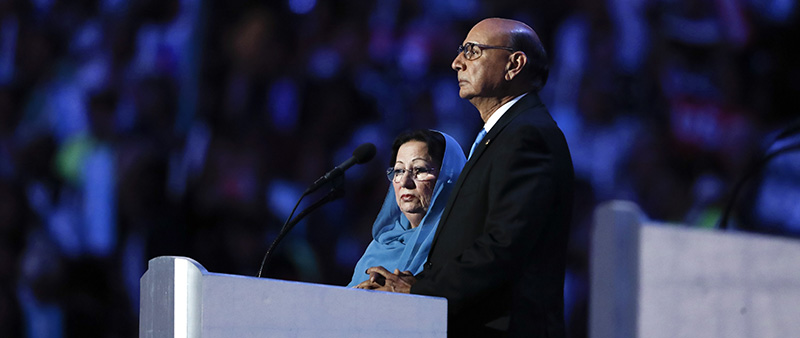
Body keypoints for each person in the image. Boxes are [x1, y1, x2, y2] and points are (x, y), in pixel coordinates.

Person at [356, 18, 575, 337]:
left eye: (472, 51)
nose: (456, 62)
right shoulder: (504, 134)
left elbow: (503, 245)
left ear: (514, 64)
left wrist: (419, 291)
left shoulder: (527, 136)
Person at [347, 129, 466, 287]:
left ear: (449, 177)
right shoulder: (382, 244)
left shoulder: (462, 244)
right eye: (399, 171)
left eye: (419, 170)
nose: (405, 182)